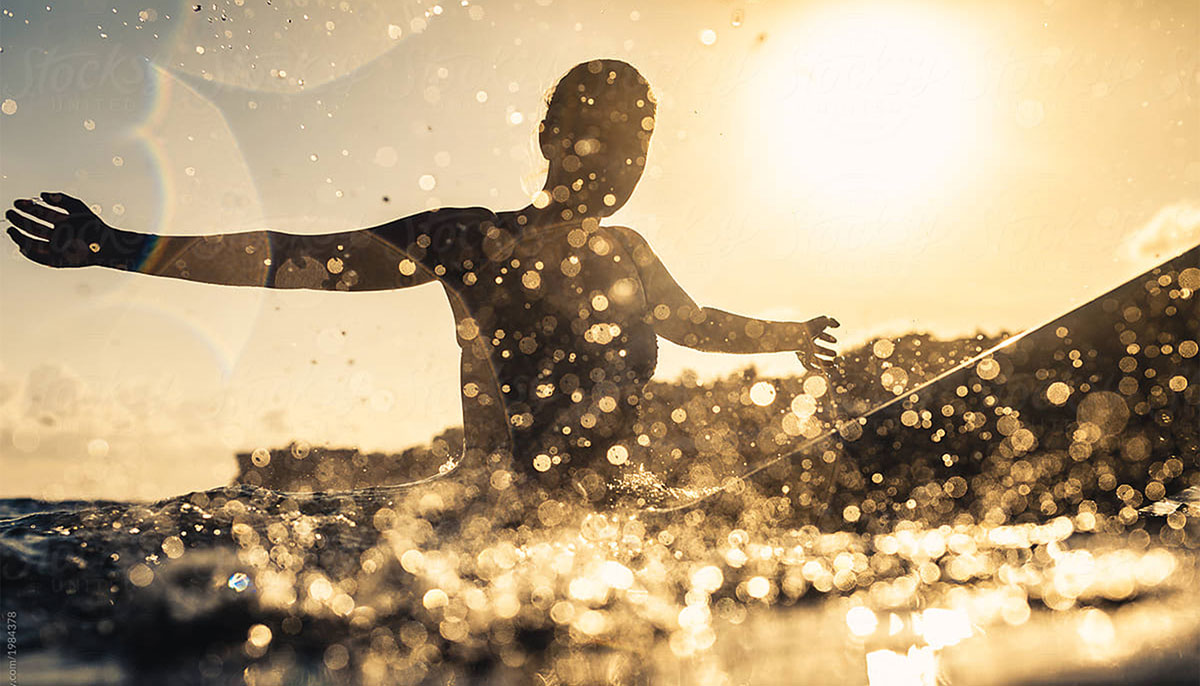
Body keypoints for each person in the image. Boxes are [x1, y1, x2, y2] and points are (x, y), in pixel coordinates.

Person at [6, 59, 838, 497]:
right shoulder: (467, 241)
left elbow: (696, 324)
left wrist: (789, 338)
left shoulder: (629, 255)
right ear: (551, 139)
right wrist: (124, 246)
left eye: (638, 147)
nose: (622, 163)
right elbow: (294, 261)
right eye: (603, 137)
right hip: (499, 513)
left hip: (618, 503)